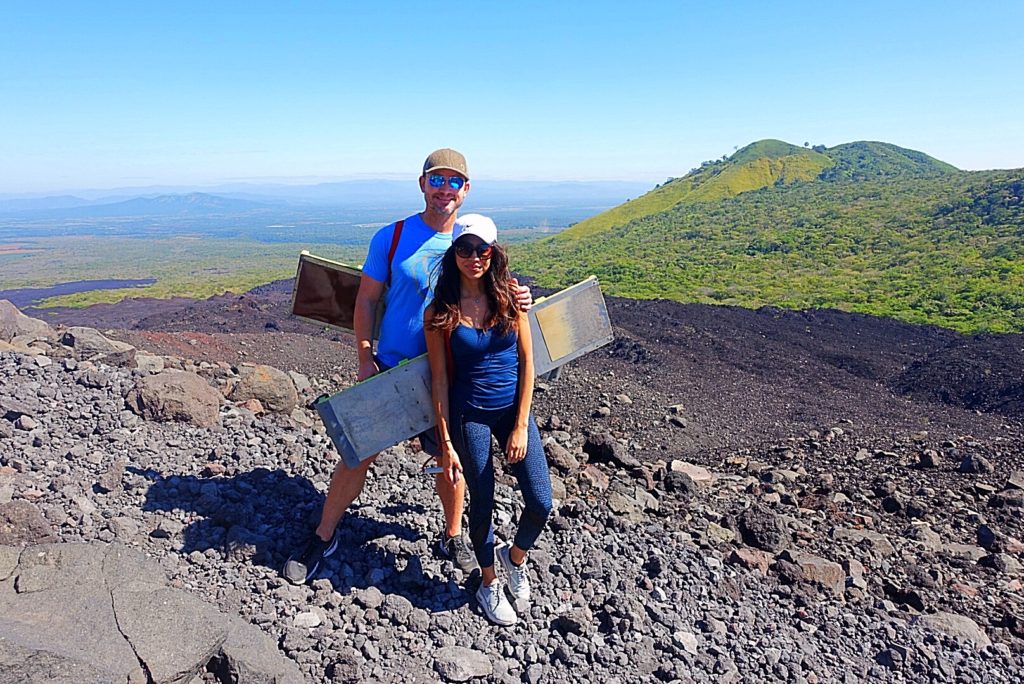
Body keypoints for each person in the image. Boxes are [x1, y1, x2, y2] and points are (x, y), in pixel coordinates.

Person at [283, 149, 531, 585]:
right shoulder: (392, 237)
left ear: (466, 190)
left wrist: (521, 296)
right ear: (422, 185)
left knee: (448, 458)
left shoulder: (474, 242)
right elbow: (365, 300)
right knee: (357, 452)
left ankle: (452, 535)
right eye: (437, 180)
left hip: (452, 377)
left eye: (454, 182)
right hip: (394, 369)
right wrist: (364, 355)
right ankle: (324, 535)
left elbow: (498, 293)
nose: (444, 190)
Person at [424, 214, 552, 626]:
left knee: (541, 501)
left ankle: (513, 558)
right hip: (470, 414)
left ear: (493, 252)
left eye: (481, 249)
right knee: (482, 503)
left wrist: (520, 424)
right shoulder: (441, 311)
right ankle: (489, 582)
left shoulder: (512, 299)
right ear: (454, 254)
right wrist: (444, 442)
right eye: (464, 249)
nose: (473, 257)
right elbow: (440, 380)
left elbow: (529, 363)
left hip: (513, 411)